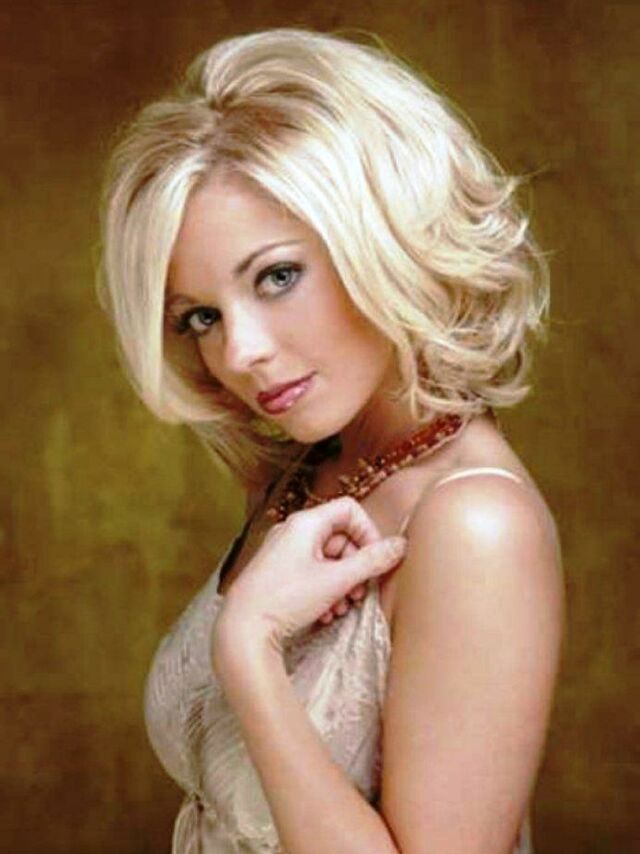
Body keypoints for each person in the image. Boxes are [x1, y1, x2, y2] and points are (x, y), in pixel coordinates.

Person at [98, 27, 564, 854]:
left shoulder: (475, 527)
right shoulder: (314, 465)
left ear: (383, 235)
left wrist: (247, 650)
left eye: (276, 276)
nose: (239, 352)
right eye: (200, 317)